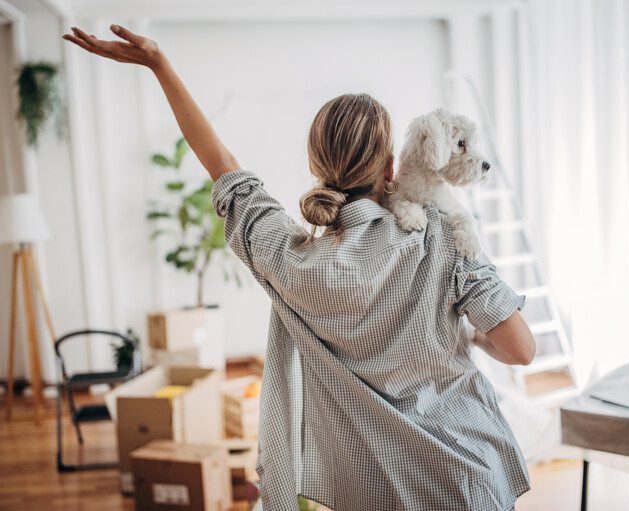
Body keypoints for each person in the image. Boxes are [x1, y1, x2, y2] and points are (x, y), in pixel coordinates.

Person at [64, 25, 536, 511]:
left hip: (368, 489)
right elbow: (520, 349)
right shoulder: (445, 234)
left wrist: (159, 64)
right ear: (390, 168)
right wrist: (463, 333)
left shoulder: (289, 262)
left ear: (317, 168)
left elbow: (223, 165)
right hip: (467, 478)